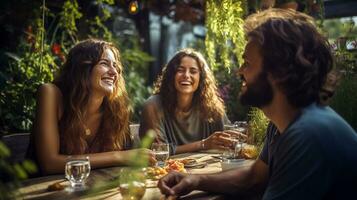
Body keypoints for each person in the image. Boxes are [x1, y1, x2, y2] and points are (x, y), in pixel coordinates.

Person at [158, 9, 357, 199]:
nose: (240, 71)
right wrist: (194, 180)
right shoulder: (283, 125)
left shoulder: (307, 135)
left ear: (278, 71)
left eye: (247, 63)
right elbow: (254, 179)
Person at [31, 39, 154, 175]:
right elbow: (50, 163)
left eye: (115, 66)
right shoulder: (51, 94)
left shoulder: (115, 110)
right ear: (83, 67)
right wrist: (118, 156)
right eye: (104, 64)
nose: (114, 72)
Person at [139, 48, 242, 155]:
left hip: (207, 169)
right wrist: (203, 144)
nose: (186, 75)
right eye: (180, 70)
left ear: (201, 78)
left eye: (193, 71)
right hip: (167, 170)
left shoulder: (211, 105)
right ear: (171, 75)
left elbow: (228, 139)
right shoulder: (153, 106)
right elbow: (156, 152)